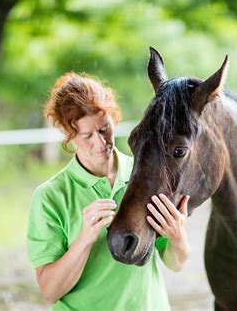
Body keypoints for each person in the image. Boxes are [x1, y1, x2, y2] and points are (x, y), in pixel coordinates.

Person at [27, 72, 191, 310]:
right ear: (68, 135)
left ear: (114, 118)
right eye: (87, 135)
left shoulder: (144, 175)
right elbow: (50, 292)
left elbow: (176, 263)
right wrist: (85, 239)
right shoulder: (51, 197)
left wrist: (177, 237)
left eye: (104, 129)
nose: (101, 143)